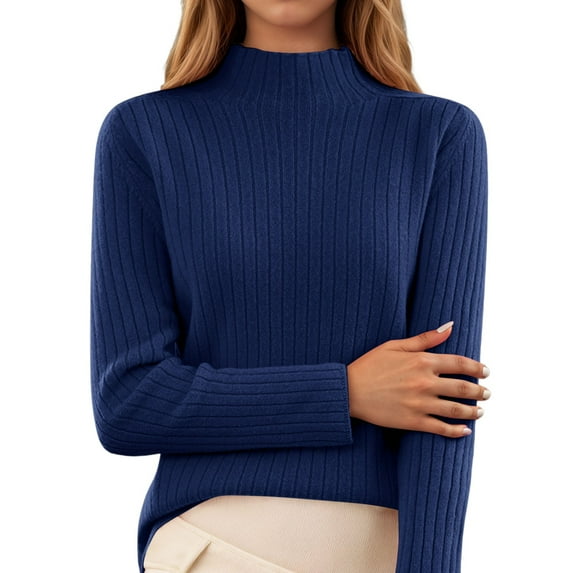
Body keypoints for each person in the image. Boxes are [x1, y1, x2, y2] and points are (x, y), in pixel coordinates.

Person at [89, 0, 491, 571]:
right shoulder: (144, 132)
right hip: (212, 545)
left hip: (379, 551)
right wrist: (344, 393)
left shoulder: (439, 135)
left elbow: (445, 403)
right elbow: (128, 402)